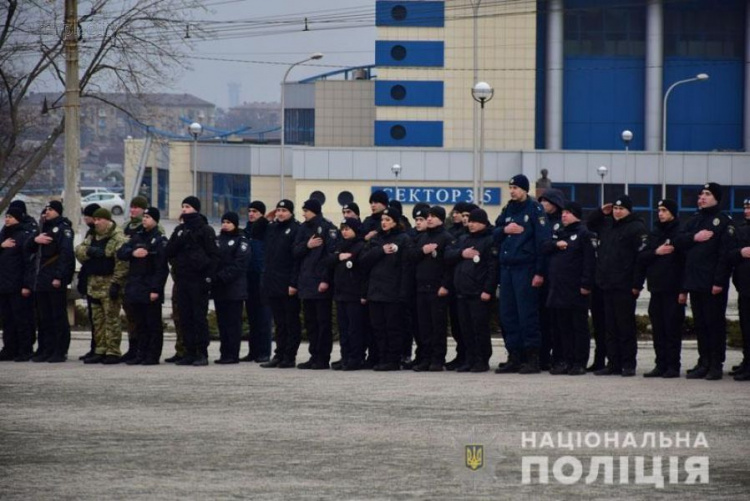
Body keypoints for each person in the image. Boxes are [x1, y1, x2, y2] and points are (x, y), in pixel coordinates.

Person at [674, 183, 735, 380]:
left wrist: (719, 281)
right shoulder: (695, 220)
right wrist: (695, 237)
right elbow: (679, 241)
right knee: (700, 324)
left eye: (707, 194)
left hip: (712, 283)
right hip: (695, 281)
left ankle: (716, 364)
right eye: (701, 194)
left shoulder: (723, 221)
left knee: (714, 324)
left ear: (717, 198)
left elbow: (724, 256)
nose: (702, 197)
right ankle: (704, 361)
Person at [494, 174, 551, 374]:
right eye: (510, 187)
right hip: (507, 269)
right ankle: (514, 356)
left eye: (516, 188)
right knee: (508, 314)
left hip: (525, 268)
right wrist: (505, 230)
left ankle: (532, 357)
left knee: (527, 314)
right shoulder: (508, 209)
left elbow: (543, 242)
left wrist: (539, 272)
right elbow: (495, 232)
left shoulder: (535, 209)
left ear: (525, 190)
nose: (512, 191)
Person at [587, 195, 648, 377]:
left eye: (621, 209)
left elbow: (640, 260)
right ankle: (613, 363)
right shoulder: (607, 225)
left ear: (629, 210)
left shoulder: (636, 228)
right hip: (607, 284)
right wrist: (600, 211)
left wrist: (637, 284)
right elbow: (589, 224)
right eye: (615, 208)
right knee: (610, 327)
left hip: (625, 285)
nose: (617, 211)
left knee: (625, 327)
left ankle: (628, 364)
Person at [542, 202, 596, 376]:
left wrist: (586, 284)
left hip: (576, 289)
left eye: (568, 213)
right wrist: (555, 244)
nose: (564, 215)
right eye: (563, 212)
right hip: (558, 289)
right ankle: (565, 360)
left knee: (578, 327)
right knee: (561, 328)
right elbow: (545, 247)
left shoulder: (584, 234)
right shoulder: (559, 232)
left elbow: (589, 262)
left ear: (577, 215)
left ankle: (579, 362)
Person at [165, 196, 219, 367]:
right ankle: (188, 351)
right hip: (182, 279)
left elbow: (213, 255)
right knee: (185, 317)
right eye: (183, 206)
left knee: (198, 318)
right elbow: (169, 251)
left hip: (199, 280)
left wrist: (208, 277)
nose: (184, 210)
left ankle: (201, 352)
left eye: (187, 206)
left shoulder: (205, 229)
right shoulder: (180, 230)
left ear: (196, 208)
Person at [635, 199, 686, 378]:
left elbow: (684, 263)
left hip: (673, 289)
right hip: (656, 289)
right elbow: (642, 256)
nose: (660, 213)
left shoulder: (680, 232)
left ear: (672, 212)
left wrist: (683, 290)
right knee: (658, 328)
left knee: (671, 329)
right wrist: (656, 252)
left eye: (664, 210)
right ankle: (660, 364)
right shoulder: (654, 232)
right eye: (659, 210)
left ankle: (672, 366)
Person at [359, 207, 413, 371]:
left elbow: (406, 267)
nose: (384, 223)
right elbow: (363, 260)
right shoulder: (376, 239)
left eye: (388, 220)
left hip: (393, 291)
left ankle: (393, 359)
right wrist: (380, 251)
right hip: (376, 290)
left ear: (396, 222)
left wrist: (403, 292)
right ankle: (382, 358)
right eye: (383, 220)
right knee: (378, 327)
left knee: (393, 328)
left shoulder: (403, 239)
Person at [445, 208, 497, 372]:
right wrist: (462, 253)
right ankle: (470, 358)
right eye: (470, 221)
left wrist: (488, 289)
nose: (471, 224)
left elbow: (493, 267)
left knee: (479, 328)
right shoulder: (463, 239)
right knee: (465, 328)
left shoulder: (489, 240)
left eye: (475, 222)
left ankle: (482, 359)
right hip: (462, 291)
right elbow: (448, 255)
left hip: (478, 293)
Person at [75, 207, 129, 364]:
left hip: (109, 282)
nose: (96, 223)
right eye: (95, 220)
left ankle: (112, 351)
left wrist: (116, 283)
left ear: (107, 220)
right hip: (94, 283)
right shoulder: (93, 236)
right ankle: (100, 349)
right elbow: (79, 250)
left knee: (111, 319)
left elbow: (122, 263)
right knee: (97, 319)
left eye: (99, 220)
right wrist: (89, 251)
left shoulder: (117, 238)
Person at [116, 207, 169, 365]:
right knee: (139, 324)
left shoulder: (159, 240)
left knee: (153, 324)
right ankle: (140, 353)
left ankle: (152, 356)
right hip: (135, 287)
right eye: (144, 216)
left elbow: (161, 269)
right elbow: (121, 252)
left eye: (148, 217)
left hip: (149, 288)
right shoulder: (137, 237)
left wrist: (156, 289)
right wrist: (133, 252)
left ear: (155, 220)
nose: (144, 219)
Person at [27, 201, 75, 363]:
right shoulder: (42, 228)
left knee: (57, 316)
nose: (47, 212)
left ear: (58, 212)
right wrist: (35, 240)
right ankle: (45, 348)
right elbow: (28, 248)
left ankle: (59, 350)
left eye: (51, 210)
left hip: (53, 278)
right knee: (43, 317)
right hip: (41, 278)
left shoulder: (63, 229)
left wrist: (60, 277)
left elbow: (66, 255)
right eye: (46, 209)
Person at [409, 205, 454, 372]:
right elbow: (411, 257)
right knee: (424, 327)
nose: (428, 219)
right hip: (421, 288)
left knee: (438, 326)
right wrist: (423, 250)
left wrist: (445, 285)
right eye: (428, 216)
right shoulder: (422, 238)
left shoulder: (446, 238)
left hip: (437, 289)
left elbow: (449, 265)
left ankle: (437, 358)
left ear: (440, 219)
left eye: (432, 216)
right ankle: (425, 358)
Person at [293, 199, 337, 370]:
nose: (303, 214)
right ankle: (313, 356)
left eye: (306, 210)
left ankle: (323, 357)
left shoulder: (328, 228)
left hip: (320, 283)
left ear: (314, 211)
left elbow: (331, 256)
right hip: (306, 282)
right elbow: (295, 251)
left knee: (323, 322)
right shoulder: (303, 228)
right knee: (310, 323)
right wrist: (307, 245)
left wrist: (326, 279)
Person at [260, 200, 301, 369]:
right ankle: (279, 354)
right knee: (279, 322)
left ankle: (289, 356)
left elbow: (296, 260)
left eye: (284, 210)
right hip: (273, 282)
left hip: (287, 283)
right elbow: (255, 232)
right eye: (278, 210)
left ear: (291, 212)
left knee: (291, 321)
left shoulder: (296, 229)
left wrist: (293, 283)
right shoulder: (272, 228)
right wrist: (266, 218)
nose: (280, 213)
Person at [324, 217, 367, 370]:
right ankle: (346, 356)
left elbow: (363, 271)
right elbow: (328, 261)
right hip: (340, 292)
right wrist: (338, 257)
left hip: (354, 293)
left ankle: (356, 358)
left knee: (354, 328)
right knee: (343, 328)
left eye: (348, 229)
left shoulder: (361, 246)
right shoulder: (340, 246)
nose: (344, 232)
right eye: (342, 229)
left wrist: (363, 293)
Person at [212, 212, 249, 364]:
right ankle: (224, 353)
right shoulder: (217, 240)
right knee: (222, 322)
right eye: (223, 222)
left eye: (228, 222)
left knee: (233, 323)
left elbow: (240, 264)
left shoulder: (241, 241)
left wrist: (222, 276)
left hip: (235, 288)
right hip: (219, 288)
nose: (225, 224)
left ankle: (232, 354)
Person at [0, 205, 35, 362]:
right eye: (6, 216)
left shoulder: (23, 235)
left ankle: (25, 349)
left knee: (22, 319)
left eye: (11, 217)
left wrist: (26, 285)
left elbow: (28, 262)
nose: (7, 219)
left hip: (18, 285)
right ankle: (9, 348)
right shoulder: (3, 234)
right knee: (7, 320)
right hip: (4, 284)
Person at [537, 188, 565, 370]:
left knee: (557, 321)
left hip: (557, 279)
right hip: (542, 277)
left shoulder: (562, 223)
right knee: (542, 320)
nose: (542, 205)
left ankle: (560, 356)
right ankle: (543, 356)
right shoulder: (541, 222)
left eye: (545, 201)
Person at [241, 200, 272, 363]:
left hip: (262, 276)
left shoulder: (267, 229)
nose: (251, 214)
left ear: (262, 213)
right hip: (249, 276)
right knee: (252, 316)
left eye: (255, 211)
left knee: (264, 317)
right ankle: (253, 351)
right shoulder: (246, 231)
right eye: (250, 211)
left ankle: (264, 351)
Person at [120, 195, 149, 363]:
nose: (133, 210)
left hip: (140, 278)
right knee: (130, 316)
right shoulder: (125, 227)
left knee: (140, 317)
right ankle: (132, 347)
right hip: (125, 276)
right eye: (132, 207)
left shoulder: (149, 228)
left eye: (137, 207)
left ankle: (141, 349)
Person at [729, 198, 750, 381]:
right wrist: (740, 253)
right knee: (746, 326)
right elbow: (731, 253)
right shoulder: (741, 228)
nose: (746, 210)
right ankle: (747, 361)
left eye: (749, 207)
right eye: (745, 207)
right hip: (744, 287)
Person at [77, 203, 101, 361]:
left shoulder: (101, 233)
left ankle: (100, 348)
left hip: (100, 280)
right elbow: (81, 252)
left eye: (88, 216)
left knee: (100, 318)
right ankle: (94, 348)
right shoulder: (90, 233)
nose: (85, 218)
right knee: (94, 317)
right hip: (89, 277)